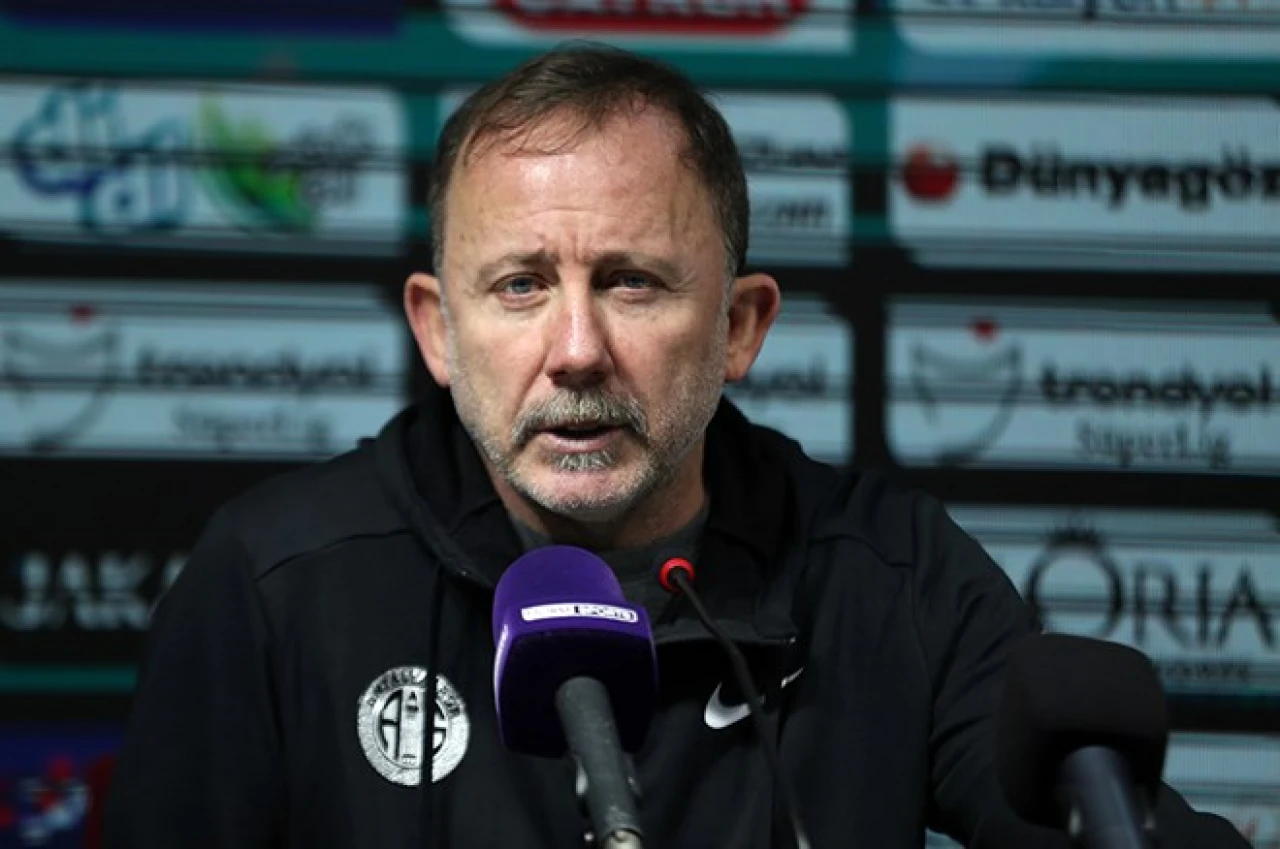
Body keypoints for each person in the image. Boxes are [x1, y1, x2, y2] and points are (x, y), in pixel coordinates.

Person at [105, 44, 1249, 849]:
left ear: (740, 326)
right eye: (519, 286)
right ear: (437, 330)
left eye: (632, 282)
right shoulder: (276, 580)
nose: (575, 351)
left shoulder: (890, 575)